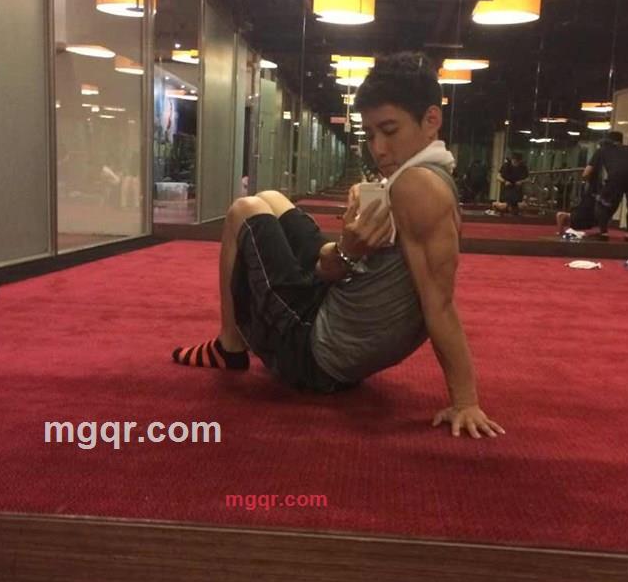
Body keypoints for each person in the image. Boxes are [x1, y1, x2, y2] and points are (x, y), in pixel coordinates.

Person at [171, 52, 504, 440]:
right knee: (273, 199)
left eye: (390, 130)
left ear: (431, 120)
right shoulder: (426, 175)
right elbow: (345, 265)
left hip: (311, 357)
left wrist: (465, 401)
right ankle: (233, 339)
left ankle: (230, 346)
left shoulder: (417, 187)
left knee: (244, 210)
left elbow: (440, 304)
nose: (378, 149)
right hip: (331, 315)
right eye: (371, 135)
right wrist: (357, 227)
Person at [586, 130, 628, 241]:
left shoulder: (602, 150)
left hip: (616, 176)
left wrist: (590, 184)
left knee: (601, 204)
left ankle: (603, 233)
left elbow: (587, 172)